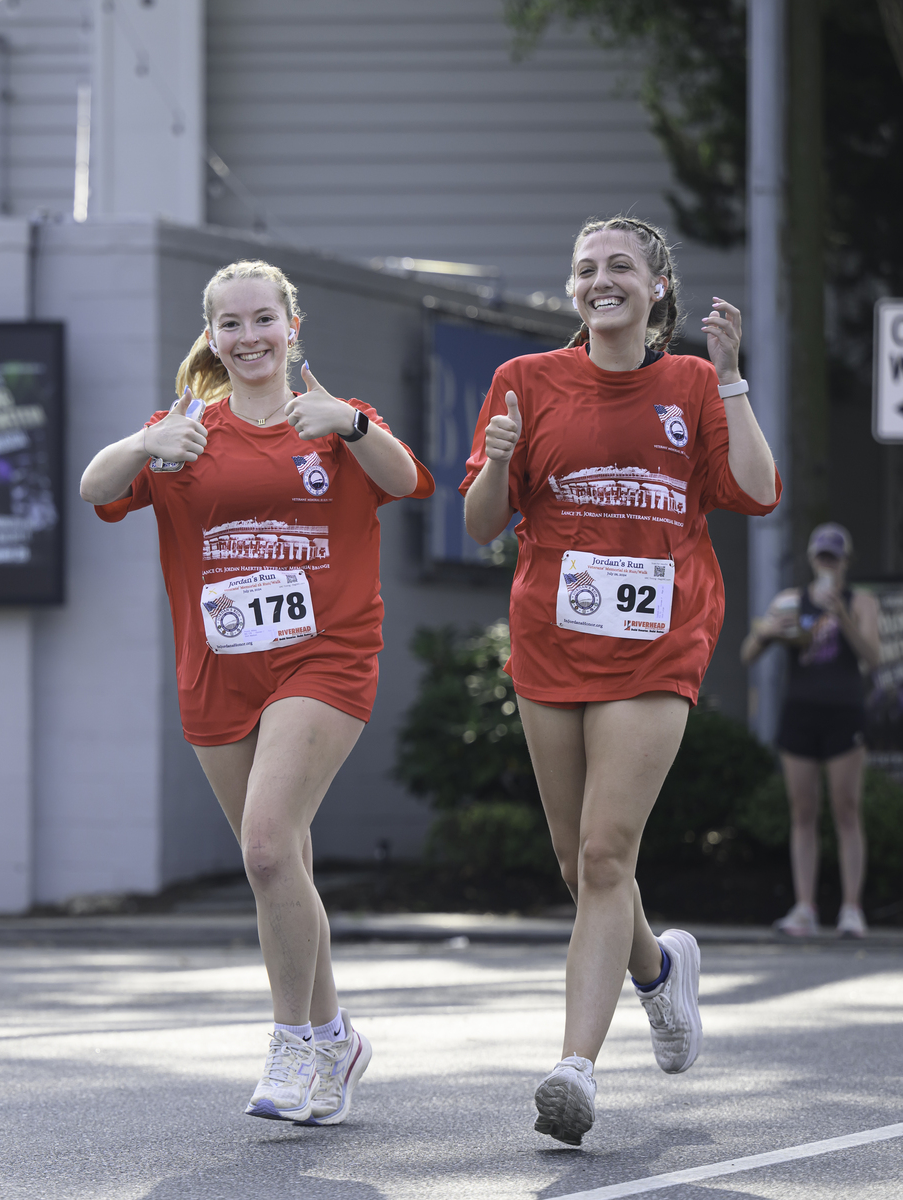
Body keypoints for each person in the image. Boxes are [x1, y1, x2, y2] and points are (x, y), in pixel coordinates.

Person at [80, 259, 433, 1125]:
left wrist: (349, 424)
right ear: (212, 336)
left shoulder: (333, 421)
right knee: (286, 865)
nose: (248, 338)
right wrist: (143, 444)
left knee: (268, 847)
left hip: (325, 657)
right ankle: (335, 1038)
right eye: (230, 325)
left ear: (292, 326)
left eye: (262, 320)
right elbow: (94, 488)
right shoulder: (184, 431)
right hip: (218, 670)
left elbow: (406, 480)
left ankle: (292, 1043)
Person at [461, 216, 780, 1145]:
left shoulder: (690, 383)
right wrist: (501, 457)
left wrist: (730, 377)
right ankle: (657, 973)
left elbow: (757, 492)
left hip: (658, 640)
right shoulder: (523, 383)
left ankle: (575, 1069)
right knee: (579, 863)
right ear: (573, 291)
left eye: (621, 268)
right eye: (586, 269)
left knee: (606, 853)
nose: (602, 281)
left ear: (657, 289)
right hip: (551, 642)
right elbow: (483, 522)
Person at [741, 522, 881, 938]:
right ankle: (804, 907)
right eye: (822, 557)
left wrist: (841, 614)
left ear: (845, 562)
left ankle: (852, 908)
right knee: (802, 811)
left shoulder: (861, 602)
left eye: (834, 558)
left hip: (844, 712)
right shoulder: (791, 600)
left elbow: (873, 658)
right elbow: (749, 653)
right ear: (812, 559)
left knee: (846, 808)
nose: (827, 564)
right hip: (800, 711)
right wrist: (768, 632)